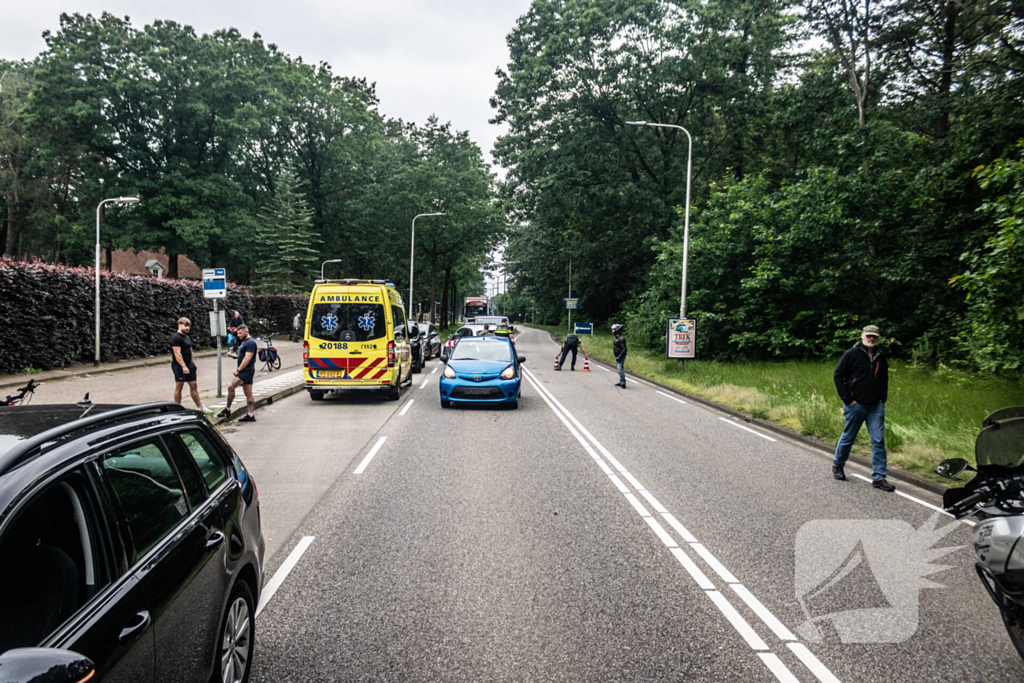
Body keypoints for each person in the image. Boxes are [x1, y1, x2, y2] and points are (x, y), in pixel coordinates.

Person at [831, 325, 894, 491]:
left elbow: (884, 379)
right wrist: (848, 399)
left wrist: (882, 398)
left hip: (875, 406)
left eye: (874, 336)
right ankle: (838, 465)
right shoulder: (851, 354)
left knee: (878, 441)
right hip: (856, 405)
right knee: (848, 437)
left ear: (877, 337)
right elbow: (838, 376)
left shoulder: (881, 356)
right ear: (862, 336)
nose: (871, 338)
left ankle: (879, 478)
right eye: (868, 336)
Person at [218, 324, 257, 422]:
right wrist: (236, 357)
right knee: (248, 392)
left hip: (246, 371)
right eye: (237, 333)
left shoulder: (250, 342)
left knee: (230, 386)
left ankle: (227, 409)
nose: (238, 335)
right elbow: (244, 356)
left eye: (240, 333)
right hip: (247, 371)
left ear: (246, 332)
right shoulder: (245, 342)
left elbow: (248, 358)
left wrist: (238, 370)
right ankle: (250, 415)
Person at [171, 317, 209, 412]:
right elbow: (177, 353)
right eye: (185, 326)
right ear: (179, 325)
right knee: (179, 386)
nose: (187, 328)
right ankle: (177, 408)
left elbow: (190, 350)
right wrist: (183, 366)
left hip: (190, 365)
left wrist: (192, 362)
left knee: (194, 385)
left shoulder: (187, 337)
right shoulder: (176, 338)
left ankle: (199, 407)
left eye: (188, 326)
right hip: (179, 366)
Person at [612, 324, 627, 388]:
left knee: (619, 369)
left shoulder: (621, 338)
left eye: (613, 330)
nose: (612, 331)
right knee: (620, 369)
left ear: (617, 330)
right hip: (617, 355)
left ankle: (623, 382)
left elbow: (624, 348)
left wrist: (619, 357)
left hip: (620, 356)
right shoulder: (617, 338)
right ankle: (621, 381)